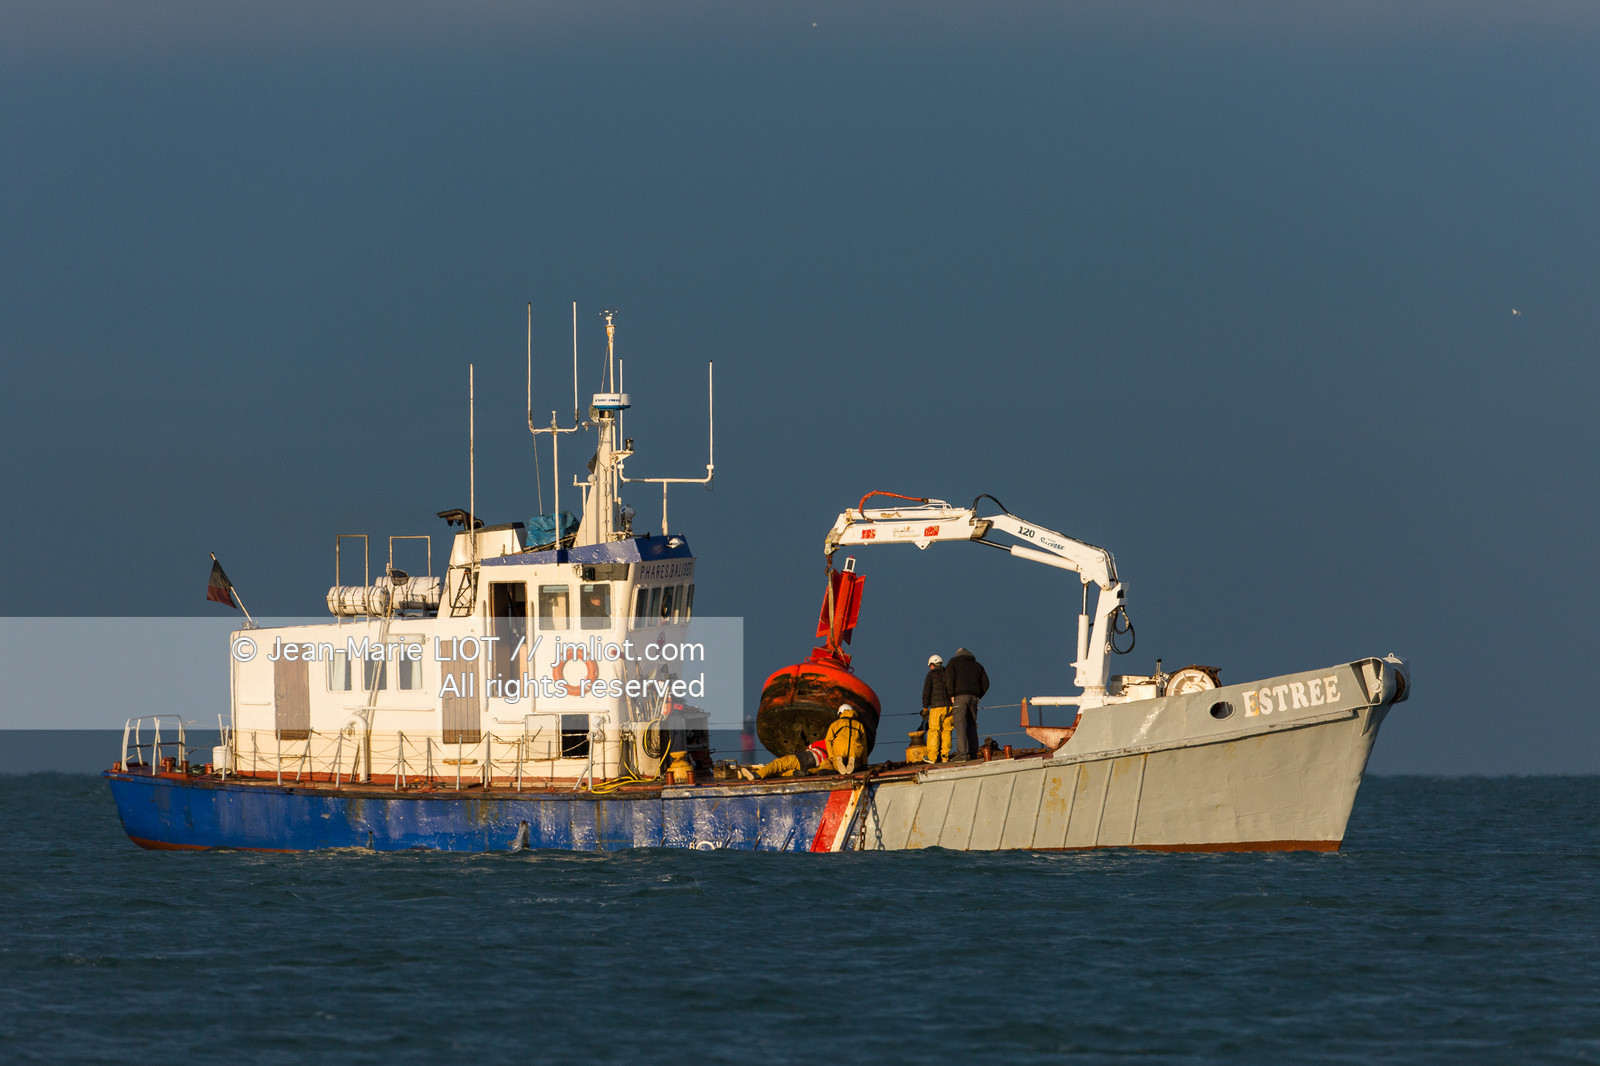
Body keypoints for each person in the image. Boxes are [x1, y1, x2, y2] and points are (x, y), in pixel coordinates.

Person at [741, 704, 869, 780]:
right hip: (822, 762)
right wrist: (863, 764)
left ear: (840, 713)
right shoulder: (857, 727)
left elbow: (829, 740)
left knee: (781, 763)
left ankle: (757, 775)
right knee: (789, 773)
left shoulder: (834, 730)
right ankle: (804, 773)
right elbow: (864, 746)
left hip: (812, 756)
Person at [945, 647, 988, 761]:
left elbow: (949, 678)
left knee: (960, 724)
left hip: (960, 697)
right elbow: (986, 683)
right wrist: (978, 695)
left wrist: (951, 695)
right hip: (974, 698)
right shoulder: (978, 666)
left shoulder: (953, 662)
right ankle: (973, 753)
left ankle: (962, 754)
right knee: (972, 725)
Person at [922, 654, 954, 763]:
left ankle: (932, 757)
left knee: (934, 731)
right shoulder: (947, 673)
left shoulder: (931, 675)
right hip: (949, 707)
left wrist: (925, 708)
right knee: (947, 731)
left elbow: (926, 692)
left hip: (936, 708)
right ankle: (945, 756)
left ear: (932, 665)